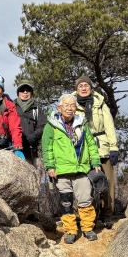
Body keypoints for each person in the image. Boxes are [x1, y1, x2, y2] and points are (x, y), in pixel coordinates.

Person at [42, 93, 102, 244]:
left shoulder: (82, 123)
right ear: (59, 108)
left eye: (72, 105)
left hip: (81, 169)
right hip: (61, 170)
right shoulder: (51, 126)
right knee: (66, 202)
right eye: (66, 105)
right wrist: (50, 166)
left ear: (76, 108)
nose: (69, 108)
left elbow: (91, 143)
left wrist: (95, 162)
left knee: (85, 199)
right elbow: (47, 148)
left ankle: (87, 228)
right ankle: (70, 230)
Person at [73, 75, 119, 224]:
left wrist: (113, 147)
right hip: (82, 151)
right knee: (86, 185)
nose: (84, 88)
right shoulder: (71, 105)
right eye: (80, 86)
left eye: (86, 85)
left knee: (107, 183)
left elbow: (109, 126)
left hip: (102, 148)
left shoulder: (100, 103)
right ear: (76, 89)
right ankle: (89, 217)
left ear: (91, 88)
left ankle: (107, 214)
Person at [14, 81, 47, 165]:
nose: (25, 92)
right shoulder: (12, 107)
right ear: (18, 93)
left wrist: (33, 136)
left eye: (28, 90)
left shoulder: (37, 108)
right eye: (22, 90)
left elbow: (43, 125)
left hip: (32, 150)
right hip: (15, 149)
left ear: (31, 93)